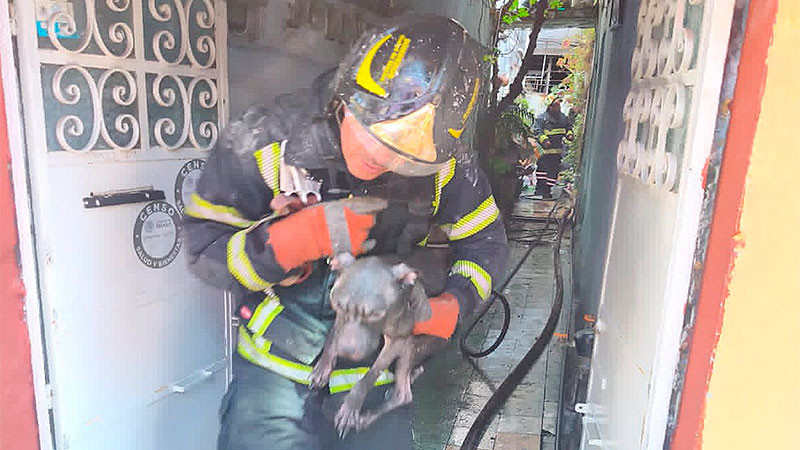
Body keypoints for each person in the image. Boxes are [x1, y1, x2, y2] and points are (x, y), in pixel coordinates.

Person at [183, 14, 508, 450]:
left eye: (401, 156)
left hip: (377, 378)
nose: (380, 158)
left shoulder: (444, 165)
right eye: (372, 135)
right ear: (349, 95)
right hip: (273, 376)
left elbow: (484, 241)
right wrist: (285, 242)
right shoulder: (266, 138)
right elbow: (204, 246)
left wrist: (454, 302)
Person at [532, 94, 573, 199]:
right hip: (544, 152)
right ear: (550, 106)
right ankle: (540, 188)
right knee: (542, 170)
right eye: (556, 105)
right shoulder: (542, 118)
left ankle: (547, 190)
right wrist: (544, 140)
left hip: (557, 151)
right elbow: (537, 131)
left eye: (559, 105)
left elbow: (568, 127)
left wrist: (569, 134)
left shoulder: (563, 118)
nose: (558, 107)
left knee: (553, 172)